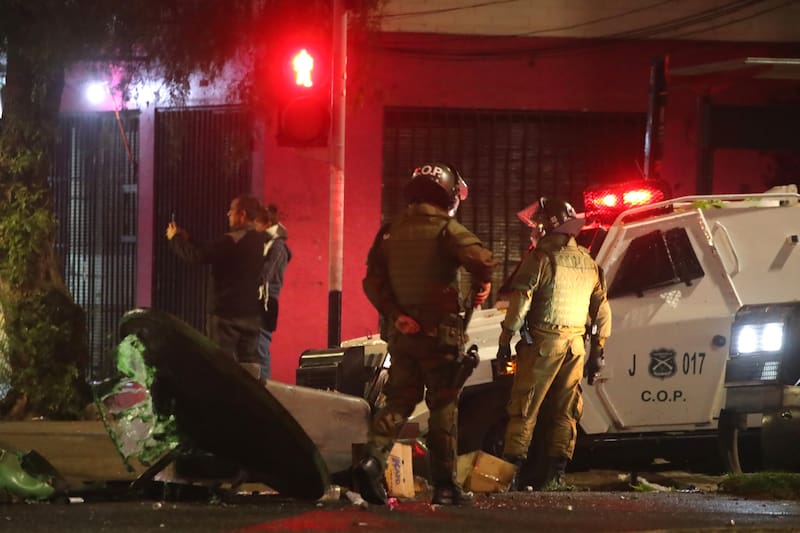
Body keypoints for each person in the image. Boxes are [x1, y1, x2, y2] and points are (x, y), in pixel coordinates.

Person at [355, 162, 495, 506]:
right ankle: (445, 486)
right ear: (448, 194)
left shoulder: (390, 231)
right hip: (440, 339)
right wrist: (483, 283)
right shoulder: (446, 229)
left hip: (402, 337)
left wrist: (397, 316)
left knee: (399, 400)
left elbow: (372, 281)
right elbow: (483, 259)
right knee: (443, 406)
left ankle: (372, 460)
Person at [496, 197, 611, 491]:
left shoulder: (540, 259)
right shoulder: (588, 262)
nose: (533, 232)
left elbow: (521, 302)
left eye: (536, 227)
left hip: (543, 346)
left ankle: (512, 475)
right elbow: (602, 310)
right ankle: (556, 475)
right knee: (566, 411)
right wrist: (598, 349)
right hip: (576, 347)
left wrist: (505, 339)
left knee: (525, 408)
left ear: (547, 227)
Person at [165, 194, 267, 379]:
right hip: (252, 315)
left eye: (232, 210)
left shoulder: (232, 240)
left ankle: (224, 405)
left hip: (226, 315)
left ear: (242, 214)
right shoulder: (260, 241)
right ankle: (250, 403)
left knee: (220, 366)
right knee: (250, 367)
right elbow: (212, 250)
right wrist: (190, 239)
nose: (228, 213)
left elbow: (198, 257)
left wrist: (175, 240)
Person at [254, 204, 291, 380]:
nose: (255, 228)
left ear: (267, 223)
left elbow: (265, 275)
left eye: (257, 224)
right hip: (262, 300)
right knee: (257, 346)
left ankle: (265, 386)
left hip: (267, 302)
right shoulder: (268, 244)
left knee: (261, 347)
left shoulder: (277, 246)